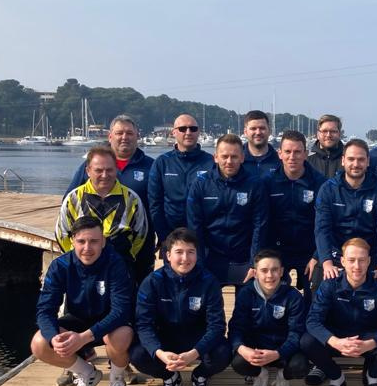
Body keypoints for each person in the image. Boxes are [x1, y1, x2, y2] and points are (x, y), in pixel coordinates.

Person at [32, 217, 134, 386]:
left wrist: (84, 338)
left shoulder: (115, 263)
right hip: (77, 320)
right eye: (81, 241)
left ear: (103, 241)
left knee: (121, 335)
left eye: (94, 241)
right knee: (39, 343)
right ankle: (86, 373)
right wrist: (54, 338)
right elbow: (45, 310)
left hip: (109, 323)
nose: (87, 248)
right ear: (72, 241)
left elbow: (121, 310)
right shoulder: (60, 266)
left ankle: (117, 378)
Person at [130, 228, 229, 386]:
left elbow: (217, 326)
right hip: (165, 337)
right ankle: (170, 377)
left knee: (224, 352)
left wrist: (194, 353)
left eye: (191, 252)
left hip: (196, 336)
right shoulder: (152, 282)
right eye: (179, 252)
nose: (185, 258)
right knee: (137, 354)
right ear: (168, 255)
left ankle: (200, 376)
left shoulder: (209, 281)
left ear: (197, 255)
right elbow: (144, 324)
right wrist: (160, 353)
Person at [301, 238, 377, 386]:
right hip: (338, 337)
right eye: (351, 260)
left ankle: (372, 376)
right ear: (342, 261)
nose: (357, 266)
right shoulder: (330, 284)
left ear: (369, 261)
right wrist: (335, 342)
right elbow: (312, 321)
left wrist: (370, 344)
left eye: (362, 260)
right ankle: (336, 378)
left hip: (367, 338)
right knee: (307, 341)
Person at [65, 114, 155, 282]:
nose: (124, 137)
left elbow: (160, 205)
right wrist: (75, 251)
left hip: (136, 249)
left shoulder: (152, 166)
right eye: (119, 133)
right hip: (90, 251)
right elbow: (69, 202)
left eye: (129, 133)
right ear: (110, 136)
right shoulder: (91, 165)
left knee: (134, 294)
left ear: (137, 136)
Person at [228, 250, 309, 386]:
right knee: (238, 362)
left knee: (301, 366)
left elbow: (296, 332)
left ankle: (282, 377)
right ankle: (260, 375)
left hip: (283, 350)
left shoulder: (293, 296)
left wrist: (278, 353)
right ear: (255, 273)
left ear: (282, 272)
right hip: (256, 350)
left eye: (274, 270)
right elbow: (236, 327)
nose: (270, 275)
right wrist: (243, 349)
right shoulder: (246, 294)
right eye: (264, 270)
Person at [186, 134, 268, 286]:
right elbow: (195, 227)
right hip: (211, 258)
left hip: (244, 258)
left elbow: (260, 226)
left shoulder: (255, 184)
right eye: (224, 156)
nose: (229, 161)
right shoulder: (201, 184)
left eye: (234, 156)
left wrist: (254, 262)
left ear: (242, 158)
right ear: (215, 157)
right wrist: (199, 261)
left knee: (248, 301)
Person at [55, 145, 148, 271]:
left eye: (109, 170)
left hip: (119, 269)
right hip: (82, 269)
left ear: (116, 169)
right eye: (98, 170)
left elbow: (140, 235)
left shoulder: (132, 199)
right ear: (88, 171)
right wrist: (80, 258)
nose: (104, 175)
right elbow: (62, 234)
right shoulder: (73, 198)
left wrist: (123, 258)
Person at [313, 139, 377, 281]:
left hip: (368, 257)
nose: (356, 164)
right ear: (343, 160)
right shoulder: (328, 189)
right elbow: (322, 228)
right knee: (320, 284)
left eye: (361, 159)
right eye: (351, 159)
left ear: (368, 161)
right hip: (336, 255)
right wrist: (326, 263)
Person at [263, 130, 325, 296]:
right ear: (280, 154)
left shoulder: (320, 183)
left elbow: (325, 223)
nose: (292, 157)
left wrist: (317, 255)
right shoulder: (267, 182)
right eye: (288, 151)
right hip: (277, 251)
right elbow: (261, 221)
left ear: (306, 154)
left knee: (315, 299)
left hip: (310, 251)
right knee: (277, 298)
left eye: (297, 152)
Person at [147, 114, 214, 244]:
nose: (188, 132)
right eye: (183, 129)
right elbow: (155, 203)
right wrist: (164, 238)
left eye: (193, 129)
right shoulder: (162, 162)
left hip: (205, 239)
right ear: (174, 132)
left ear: (198, 132)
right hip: (171, 237)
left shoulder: (211, 162)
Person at [241, 109, 281, 177]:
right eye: (253, 129)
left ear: (269, 131)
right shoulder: (236, 159)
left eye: (262, 128)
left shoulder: (280, 160)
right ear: (245, 132)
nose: (258, 132)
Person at [307, 114, 345, 179]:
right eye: (324, 131)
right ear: (318, 134)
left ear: (339, 134)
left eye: (333, 131)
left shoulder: (348, 161)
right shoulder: (307, 162)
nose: (328, 135)